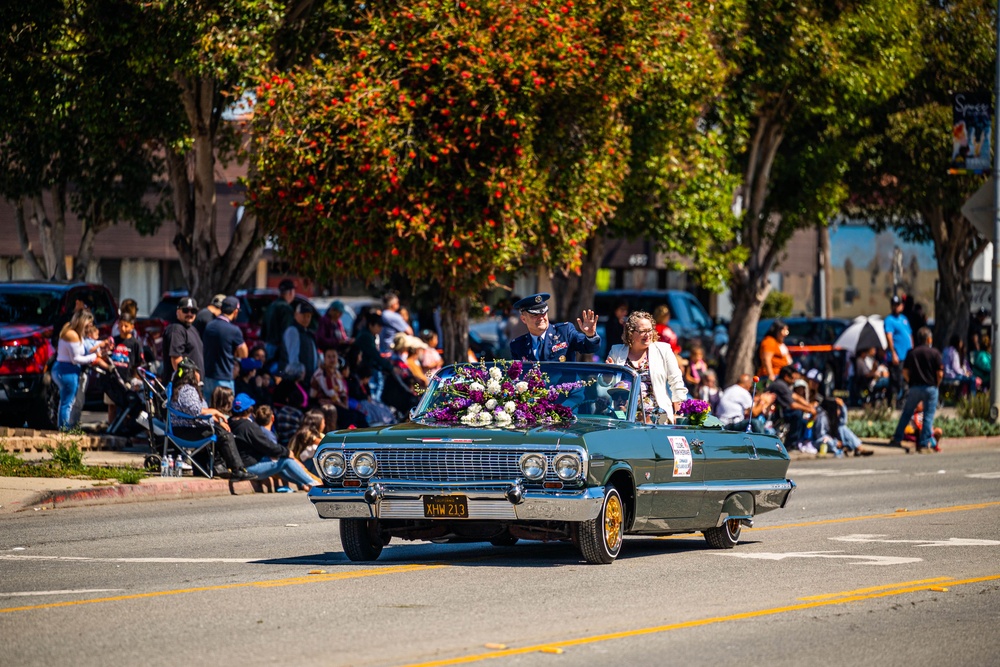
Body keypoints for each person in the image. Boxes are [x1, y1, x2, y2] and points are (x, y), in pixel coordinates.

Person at [167, 358, 251, 479]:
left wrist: (217, 420)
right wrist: (216, 412)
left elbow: (201, 413)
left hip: (184, 429)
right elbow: (196, 411)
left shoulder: (181, 387)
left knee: (220, 430)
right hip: (185, 431)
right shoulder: (187, 390)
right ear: (192, 373)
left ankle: (219, 467)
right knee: (224, 435)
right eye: (197, 371)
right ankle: (237, 469)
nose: (199, 374)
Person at [605, 311, 687, 423]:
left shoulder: (664, 350)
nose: (648, 334)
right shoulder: (616, 351)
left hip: (657, 416)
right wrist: (608, 375)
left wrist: (679, 409)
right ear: (630, 333)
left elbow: (676, 380)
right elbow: (606, 384)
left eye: (650, 330)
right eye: (643, 331)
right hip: (623, 416)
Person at [228, 392, 318, 491]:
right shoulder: (248, 426)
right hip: (249, 468)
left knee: (277, 464)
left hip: (238, 466)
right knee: (285, 461)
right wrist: (286, 452)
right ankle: (312, 483)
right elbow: (266, 445)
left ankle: (302, 483)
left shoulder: (230, 423)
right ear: (249, 409)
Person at [52, 309, 111, 430]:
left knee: (66, 401)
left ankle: (64, 428)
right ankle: (65, 429)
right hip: (67, 370)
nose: (89, 328)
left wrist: (100, 345)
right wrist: (95, 356)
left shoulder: (71, 330)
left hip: (65, 369)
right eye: (88, 324)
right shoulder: (72, 335)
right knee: (68, 403)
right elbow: (76, 359)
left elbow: (85, 347)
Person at [889, 327, 943, 454]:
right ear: (929, 339)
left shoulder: (911, 353)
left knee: (907, 413)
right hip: (930, 387)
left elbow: (905, 372)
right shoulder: (935, 353)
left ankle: (897, 437)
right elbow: (939, 373)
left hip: (915, 387)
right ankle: (924, 443)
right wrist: (937, 384)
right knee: (928, 416)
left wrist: (910, 382)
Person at [509, 293, 601, 362]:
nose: (541, 318)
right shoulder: (518, 345)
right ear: (523, 319)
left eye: (543, 313)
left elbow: (588, 347)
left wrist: (590, 336)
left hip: (567, 387)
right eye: (534, 315)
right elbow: (518, 375)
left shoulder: (564, 331)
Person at [804, 368, 872, 456]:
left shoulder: (819, 397)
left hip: (825, 432)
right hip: (812, 436)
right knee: (828, 441)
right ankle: (845, 446)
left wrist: (842, 406)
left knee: (842, 427)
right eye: (813, 381)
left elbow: (843, 421)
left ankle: (858, 447)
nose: (815, 384)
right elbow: (820, 433)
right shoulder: (803, 392)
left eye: (817, 382)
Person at [202, 296, 248, 401]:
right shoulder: (233, 330)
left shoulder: (209, 326)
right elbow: (244, 353)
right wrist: (234, 352)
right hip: (224, 378)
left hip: (208, 376)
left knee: (210, 412)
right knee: (224, 413)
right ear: (235, 311)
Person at [104, 312, 144, 424]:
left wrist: (136, 380)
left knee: (125, 407)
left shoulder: (135, 343)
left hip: (127, 380)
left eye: (126, 326)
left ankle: (123, 429)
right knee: (111, 405)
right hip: (113, 380)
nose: (122, 328)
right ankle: (111, 428)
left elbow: (139, 364)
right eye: (120, 325)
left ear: (132, 326)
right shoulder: (113, 341)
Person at [767, 364, 816, 450]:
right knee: (797, 414)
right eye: (793, 378)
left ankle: (801, 441)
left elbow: (795, 396)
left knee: (804, 419)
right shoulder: (780, 385)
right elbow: (792, 405)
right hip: (775, 415)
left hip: (781, 412)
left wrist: (809, 405)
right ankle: (790, 443)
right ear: (786, 377)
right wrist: (809, 409)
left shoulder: (783, 385)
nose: (794, 380)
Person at [160, 297, 204, 383]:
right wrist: (191, 377)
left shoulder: (192, 329)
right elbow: (176, 359)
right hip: (182, 386)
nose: (190, 314)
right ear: (178, 311)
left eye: (193, 311)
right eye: (186, 310)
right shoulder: (176, 329)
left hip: (194, 385)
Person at [278, 301, 320, 381]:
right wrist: (298, 375)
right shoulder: (292, 331)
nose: (306, 319)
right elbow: (293, 360)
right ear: (296, 315)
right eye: (304, 315)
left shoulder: (307, 333)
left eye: (309, 316)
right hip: (297, 380)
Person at [884, 294, 914, 406]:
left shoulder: (904, 319)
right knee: (897, 380)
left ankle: (904, 400)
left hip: (907, 355)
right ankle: (894, 402)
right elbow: (889, 337)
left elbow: (909, 335)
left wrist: (912, 350)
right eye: (894, 305)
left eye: (898, 305)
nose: (897, 307)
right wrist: (893, 353)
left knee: (906, 379)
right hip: (898, 356)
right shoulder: (889, 320)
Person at [262, 279, 296, 363]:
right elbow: (287, 332)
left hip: (268, 346)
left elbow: (263, 329)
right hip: (279, 348)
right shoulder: (286, 308)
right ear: (291, 292)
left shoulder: (271, 306)